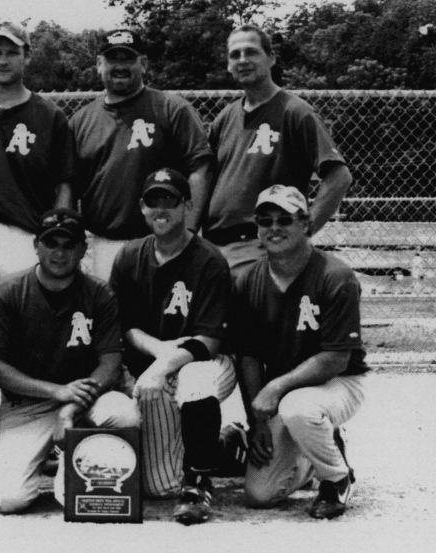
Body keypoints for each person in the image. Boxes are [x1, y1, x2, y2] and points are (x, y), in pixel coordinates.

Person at [0, 208, 141, 514]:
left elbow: (110, 363)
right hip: (28, 404)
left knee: (123, 413)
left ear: (83, 249)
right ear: (36, 245)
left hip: (86, 401)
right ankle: (48, 456)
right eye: (51, 243)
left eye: (69, 245)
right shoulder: (6, 294)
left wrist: (70, 406)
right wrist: (56, 391)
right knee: (10, 500)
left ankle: (75, 461)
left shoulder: (100, 294)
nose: (60, 253)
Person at [233, 185, 369, 519]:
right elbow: (248, 355)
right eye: (265, 220)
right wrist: (257, 423)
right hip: (283, 395)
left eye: (284, 219)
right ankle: (313, 449)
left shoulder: (335, 276)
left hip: (338, 383)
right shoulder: (248, 280)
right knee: (260, 494)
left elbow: (335, 358)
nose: (274, 228)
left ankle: (336, 478)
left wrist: (276, 387)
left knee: (299, 408)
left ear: (305, 223)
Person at [109, 169, 236, 524]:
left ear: (188, 206)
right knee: (159, 486)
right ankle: (223, 446)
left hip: (206, 363)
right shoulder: (129, 256)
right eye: (154, 200)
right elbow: (125, 325)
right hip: (156, 368)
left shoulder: (209, 260)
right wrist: (160, 353)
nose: (161, 209)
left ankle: (198, 482)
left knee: (195, 380)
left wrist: (162, 365)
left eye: (171, 200)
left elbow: (209, 341)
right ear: (142, 207)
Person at [204, 24, 352, 276]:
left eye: (251, 52)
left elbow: (339, 177)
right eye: (235, 55)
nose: (243, 60)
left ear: (271, 58)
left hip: (260, 246)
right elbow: (206, 179)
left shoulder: (295, 112)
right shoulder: (225, 117)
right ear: (228, 65)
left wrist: (302, 232)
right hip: (214, 247)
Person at [70, 29, 213, 281]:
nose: (120, 66)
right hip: (105, 244)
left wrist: (188, 231)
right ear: (99, 64)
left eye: (128, 58)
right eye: (112, 59)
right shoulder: (81, 121)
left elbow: (200, 169)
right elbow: (70, 187)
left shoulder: (171, 108)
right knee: (110, 307)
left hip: (165, 240)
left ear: (143, 63)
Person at [0, 21, 74, 304]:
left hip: (27, 232)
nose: (3, 60)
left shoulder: (50, 115)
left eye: (12, 52)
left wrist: (55, 236)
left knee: (23, 321)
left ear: (27, 56)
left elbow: (64, 185)